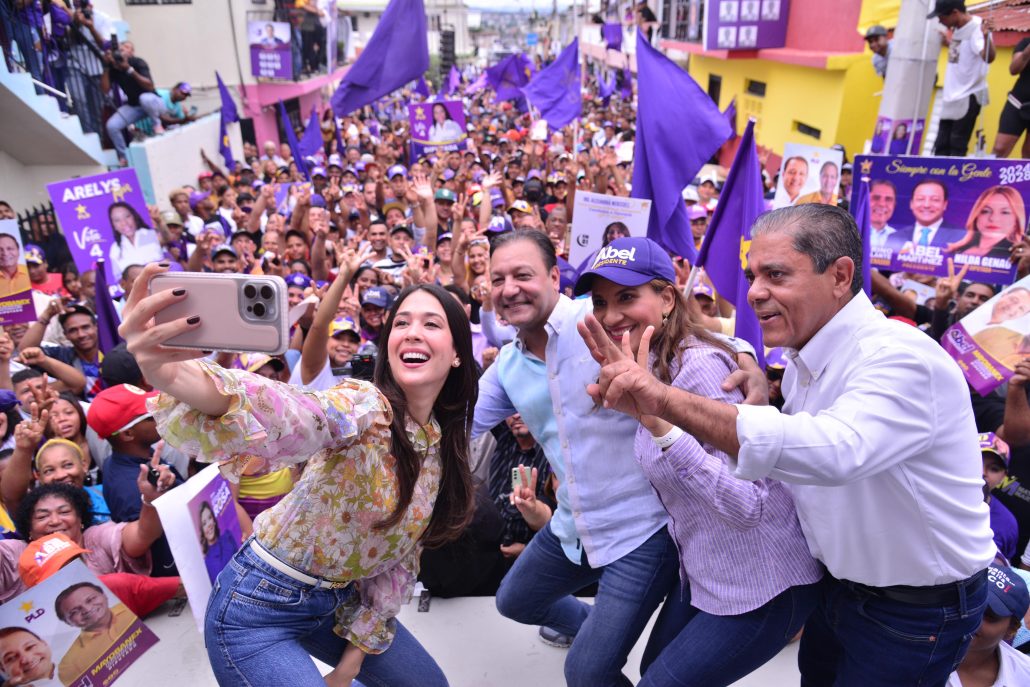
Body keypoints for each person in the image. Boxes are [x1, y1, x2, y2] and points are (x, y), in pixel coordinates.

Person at [580, 204, 994, 686]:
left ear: (840, 275)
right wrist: (748, 360)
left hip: (911, 613)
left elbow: (834, 449)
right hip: (837, 591)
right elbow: (731, 355)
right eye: (753, 275)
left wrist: (664, 409)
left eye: (775, 274)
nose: (755, 293)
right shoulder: (802, 354)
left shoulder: (900, 357)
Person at [121, 261, 476, 686]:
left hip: (337, 604)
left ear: (457, 353)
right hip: (255, 609)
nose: (413, 332)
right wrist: (176, 374)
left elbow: (397, 562)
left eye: (431, 323)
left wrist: (349, 667)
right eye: (402, 322)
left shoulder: (440, 444)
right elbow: (297, 413)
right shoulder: (365, 405)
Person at [573, 237, 824, 686]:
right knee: (649, 672)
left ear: (667, 297)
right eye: (600, 302)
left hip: (764, 585)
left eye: (627, 297)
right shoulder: (648, 363)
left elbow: (752, 505)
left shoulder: (703, 368)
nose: (611, 316)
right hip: (708, 575)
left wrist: (662, 428)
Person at [930, 0, 996, 157]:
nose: (940, 21)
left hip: (968, 95)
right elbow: (963, 54)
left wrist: (987, 38)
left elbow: (988, 57)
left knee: (956, 146)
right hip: (952, 95)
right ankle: (939, 179)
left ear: (955, 13)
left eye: (941, 17)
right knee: (941, 145)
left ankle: (952, 180)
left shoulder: (977, 29)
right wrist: (949, 43)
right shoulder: (958, 28)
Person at [946, 566, 1030, 686]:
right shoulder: (913, 652)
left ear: (1011, 630)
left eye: (990, 615)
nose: (972, 619)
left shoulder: (1025, 675)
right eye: (967, 606)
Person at [54, 581, 136, 685]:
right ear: (67, 622)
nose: (87, 609)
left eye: (91, 599)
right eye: (74, 612)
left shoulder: (131, 606)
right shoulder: (68, 665)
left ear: (105, 595)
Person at [947, 185, 1027, 258]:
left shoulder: (1017, 256)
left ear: (1016, 221)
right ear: (976, 215)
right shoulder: (955, 249)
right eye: (986, 211)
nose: (993, 218)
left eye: (1005, 212)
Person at [891, 179, 965, 251]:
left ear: (945, 204)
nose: (927, 205)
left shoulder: (962, 237)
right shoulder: (895, 237)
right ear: (911, 204)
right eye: (920, 199)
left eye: (935, 199)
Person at [993, 35, 1030, 159]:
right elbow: (1013, 70)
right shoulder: (1026, 42)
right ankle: (990, 177)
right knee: (999, 148)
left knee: (1028, 153)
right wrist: (1027, 53)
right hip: (1017, 102)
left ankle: (1025, 179)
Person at [106, 203, 163, 278]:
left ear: (134, 216)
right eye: (117, 220)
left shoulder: (152, 234)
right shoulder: (115, 249)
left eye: (127, 216)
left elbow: (169, 240)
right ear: (114, 226)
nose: (124, 223)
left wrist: (159, 222)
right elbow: (119, 279)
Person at [196, 500, 238, 585]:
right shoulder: (207, 563)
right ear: (202, 530)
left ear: (214, 520)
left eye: (210, 518)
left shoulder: (228, 536)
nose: (209, 525)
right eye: (204, 523)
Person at [868, 179, 898, 249]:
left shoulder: (899, 238)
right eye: (876, 198)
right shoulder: (852, 232)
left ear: (894, 204)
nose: (882, 204)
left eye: (888, 199)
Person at [0, 234, 30, 298]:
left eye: (10, 248)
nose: (5, 253)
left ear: (18, 251)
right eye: (0, 250)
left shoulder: (30, 272)